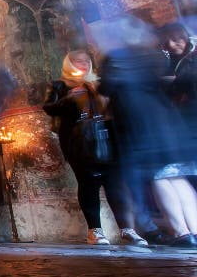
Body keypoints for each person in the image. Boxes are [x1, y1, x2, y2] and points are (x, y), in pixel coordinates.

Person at [101, 17, 195, 248]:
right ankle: (194, 229)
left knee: (159, 177)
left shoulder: (115, 57)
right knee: (177, 176)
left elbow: (106, 87)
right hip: (166, 120)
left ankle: (182, 233)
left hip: (139, 122)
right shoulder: (155, 56)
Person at [43, 50, 147, 246]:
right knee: (89, 184)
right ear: (68, 64)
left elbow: (117, 105)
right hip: (79, 141)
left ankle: (127, 229)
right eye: (77, 61)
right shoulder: (60, 85)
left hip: (109, 137)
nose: (82, 65)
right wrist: (71, 97)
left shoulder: (100, 81)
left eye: (85, 61)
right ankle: (95, 230)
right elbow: (49, 108)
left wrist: (102, 91)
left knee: (116, 184)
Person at [154, 23, 197, 245]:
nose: (172, 44)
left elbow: (184, 86)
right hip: (184, 125)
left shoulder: (192, 59)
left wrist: (171, 85)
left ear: (185, 36)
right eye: (167, 41)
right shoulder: (170, 61)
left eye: (176, 39)